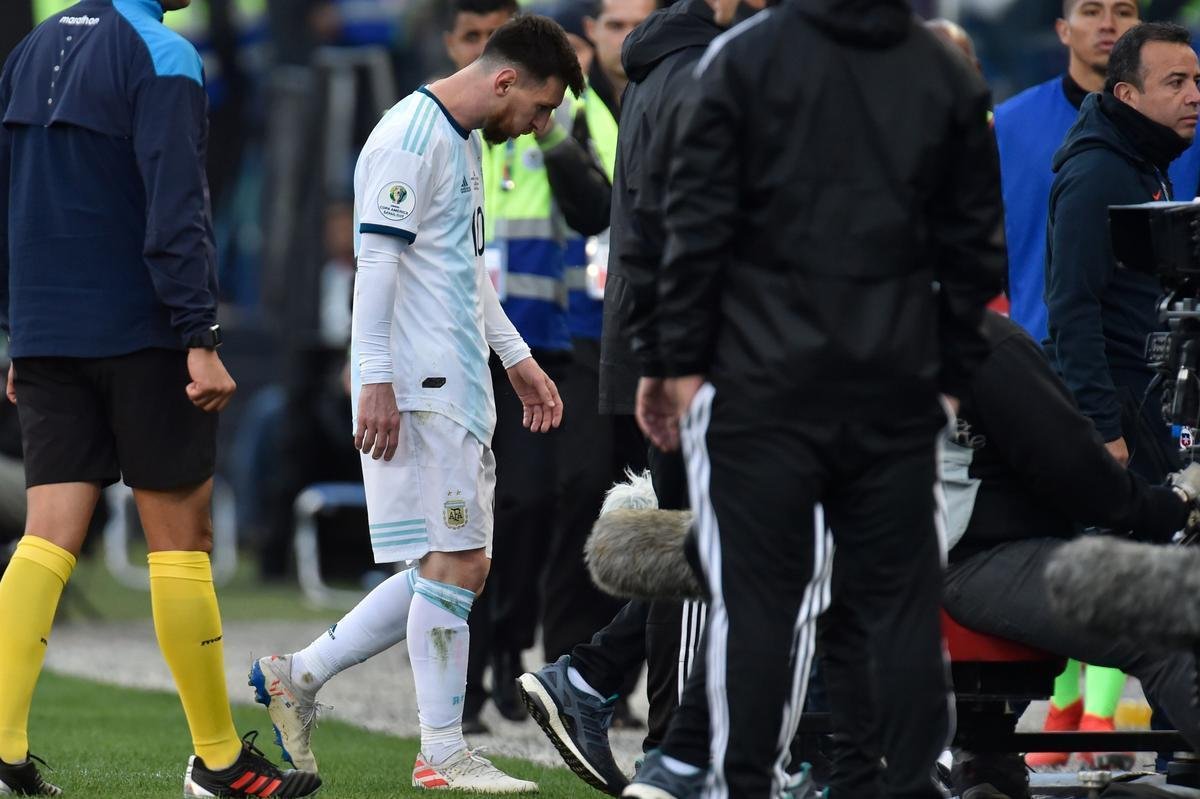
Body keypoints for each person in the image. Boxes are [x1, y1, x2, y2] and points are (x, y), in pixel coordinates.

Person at [640, 0, 1005, 796]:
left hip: (760, 386)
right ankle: (910, 783)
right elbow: (976, 247)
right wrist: (948, 376)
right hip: (894, 386)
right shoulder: (940, 70)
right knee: (900, 609)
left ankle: (745, 784)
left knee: (760, 605)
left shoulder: (742, 61)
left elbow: (693, 224)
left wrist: (678, 363)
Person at [249, 15, 583, 793]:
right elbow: (377, 266)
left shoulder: (460, 137)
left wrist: (519, 359)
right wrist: (373, 379)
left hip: (454, 380)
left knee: (447, 563)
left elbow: (463, 269)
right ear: (505, 81)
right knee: (461, 561)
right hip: (425, 385)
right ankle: (440, 750)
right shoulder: (411, 135)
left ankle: (297, 673)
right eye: (538, 109)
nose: (538, 128)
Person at [0, 0, 321, 796]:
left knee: (47, 538)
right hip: (144, 333)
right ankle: (217, 762)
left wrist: (16, 330)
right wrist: (201, 334)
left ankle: (1, 746)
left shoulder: (29, 51)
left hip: (45, 329)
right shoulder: (164, 53)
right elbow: (179, 203)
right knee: (181, 540)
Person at [928, 312, 1200, 798]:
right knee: (1169, 622)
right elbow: (1082, 480)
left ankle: (987, 761)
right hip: (971, 558)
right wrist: (1177, 503)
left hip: (903, 557)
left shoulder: (856, 330)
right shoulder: (987, 343)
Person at [996, 0, 1200, 345]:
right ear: (1063, 29)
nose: (1107, 24)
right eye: (1091, 11)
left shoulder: (1188, 127)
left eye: (1122, 11)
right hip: (1037, 353)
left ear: (1140, 27)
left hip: (1153, 359)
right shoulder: (1007, 124)